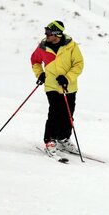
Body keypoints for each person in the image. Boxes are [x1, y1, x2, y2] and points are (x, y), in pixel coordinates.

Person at [31, 20, 84, 156]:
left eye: (49, 32)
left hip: (69, 86)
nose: (46, 34)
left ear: (57, 34)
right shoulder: (43, 47)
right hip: (52, 86)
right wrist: (40, 74)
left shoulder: (71, 46)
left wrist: (67, 77)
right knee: (55, 112)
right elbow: (35, 60)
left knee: (68, 113)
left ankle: (63, 138)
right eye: (46, 31)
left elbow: (79, 64)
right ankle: (50, 140)